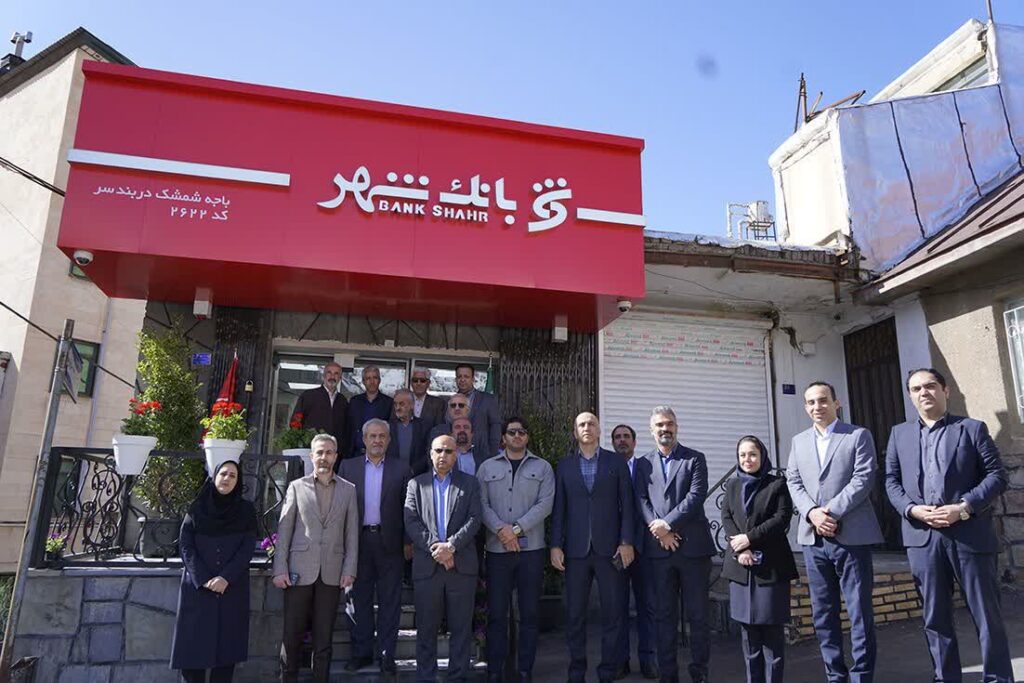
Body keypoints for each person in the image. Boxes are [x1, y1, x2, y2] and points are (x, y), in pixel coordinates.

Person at [885, 368, 1013, 683]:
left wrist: (963, 507)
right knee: (935, 618)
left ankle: (998, 678)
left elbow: (997, 475)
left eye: (930, 386)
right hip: (923, 538)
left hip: (969, 535)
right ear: (910, 395)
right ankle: (946, 678)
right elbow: (891, 481)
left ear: (946, 391)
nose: (924, 393)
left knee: (986, 616)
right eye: (916, 389)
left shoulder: (971, 429)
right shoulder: (899, 434)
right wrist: (912, 510)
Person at [786, 381, 883, 683]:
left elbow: (863, 477)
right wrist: (812, 513)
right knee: (823, 613)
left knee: (859, 611)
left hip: (851, 536)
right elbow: (793, 481)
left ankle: (861, 675)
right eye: (811, 402)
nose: (817, 406)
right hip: (814, 539)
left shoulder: (857, 435)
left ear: (836, 403)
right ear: (806, 407)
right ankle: (835, 675)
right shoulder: (799, 441)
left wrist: (830, 511)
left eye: (823, 400)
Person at [634, 406, 716, 683]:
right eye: (659, 425)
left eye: (669, 423)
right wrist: (660, 532)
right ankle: (668, 674)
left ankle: (699, 672)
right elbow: (641, 500)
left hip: (693, 550)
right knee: (663, 616)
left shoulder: (695, 459)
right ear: (651, 430)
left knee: (698, 615)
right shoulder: (642, 463)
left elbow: (696, 496)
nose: (664, 428)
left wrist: (667, 525)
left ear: (676, 427)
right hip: (658, 552)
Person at [551, 411, 635, 683]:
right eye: (581, 424)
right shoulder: (564, 466)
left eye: (591, 424)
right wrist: (555, 545)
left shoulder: (616, 462)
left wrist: (626, 541)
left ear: (599, 430)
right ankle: (576, 672)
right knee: (574, 615)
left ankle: (607, 672)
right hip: (575, 552)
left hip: (610, 551)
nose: (586, 427)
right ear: (575, 432)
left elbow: (628, 505)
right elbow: (559, 509)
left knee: (613, 614)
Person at [273, 434, 360, 683]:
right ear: (311, 456)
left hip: (331, 572)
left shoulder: (348, 489)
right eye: (319, 452)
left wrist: (349, 569)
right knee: (292, 636)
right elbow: (285, 531)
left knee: (324, 639)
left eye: (329, 452)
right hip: (298, 572)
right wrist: (280, 568)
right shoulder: (296, 487)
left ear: (336, 456)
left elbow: (351, 533)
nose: (324, 457)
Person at [476, 416, 555, 683]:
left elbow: (545, 504)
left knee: (529, 614)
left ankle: (525, 670)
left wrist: (516, 530)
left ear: (527, 437)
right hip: (497, 551)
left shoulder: (543, 467)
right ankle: (495, 670)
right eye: (512, 432)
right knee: (497, 614)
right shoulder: (487, 467)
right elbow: (481, 504)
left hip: (531, 551)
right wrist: (502, 530)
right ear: (503, 437)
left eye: (522, 432)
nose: (517, 436)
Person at [404, 434, 482, 682]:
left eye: (448, 451)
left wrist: (451, 546)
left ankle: (458, 677)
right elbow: (411, 521)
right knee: (426, 630)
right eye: (438, 450)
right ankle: (426, 677)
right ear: (430, 454)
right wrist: (437, 548)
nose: (443, 455)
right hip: (428, 567)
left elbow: (475, 519)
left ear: (455, 456)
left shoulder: (470, 483)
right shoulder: (416, 484)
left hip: (461, 567)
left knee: (461, 629)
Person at [171, 460, 257, 683]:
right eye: (223, 474)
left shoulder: (246, 511)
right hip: (198, 590)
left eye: (233, 476)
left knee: (226, 653)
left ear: (238, 482)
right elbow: (186, 545)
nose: (227, 478)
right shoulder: (196, 508)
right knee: (192, 652)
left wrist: (225, 578)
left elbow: (247, 548)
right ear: (215, 477)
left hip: (231, 589)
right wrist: (203, 578)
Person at [721, 436, 797, 683]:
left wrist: (749, 539)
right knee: (749, 638)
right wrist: (740, 548)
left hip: (771, 568)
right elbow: (727, 517)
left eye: (752, 454)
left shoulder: (777, 484)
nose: (747, 459)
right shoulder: (732, 485)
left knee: (772, 638)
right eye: (742, 455)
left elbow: (781, 518)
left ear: (762, 456)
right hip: (741, 570)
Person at [339, 419, 412, 675]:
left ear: (389, 440)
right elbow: (341, 508)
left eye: (382, 436)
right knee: (357, 600)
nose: (377, 440)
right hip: (357, 542)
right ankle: (361, 653)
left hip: (390, 543)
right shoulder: (348, 467)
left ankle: (386, 655)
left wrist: (408, 541)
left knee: (390, 601)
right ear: (364, 439)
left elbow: (408, 509)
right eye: (372, 436)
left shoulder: (401, 469)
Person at [611, 423, 658, 680]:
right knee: (617, 608)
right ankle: (620, 661)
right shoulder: (607, 467)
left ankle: (649, 659)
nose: (622, 440)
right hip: (615, 548)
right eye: (617, 437)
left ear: (635, 442)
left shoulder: (647, 467)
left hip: (645, 547)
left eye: (626, 436)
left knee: (648, 606)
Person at [291, 361, 348, 457]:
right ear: (323, 376)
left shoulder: (343, 401)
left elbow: (346, 428)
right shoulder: (308, 396)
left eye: (336, 374)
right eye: (329, 373)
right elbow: (295, 422)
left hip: (335, 454)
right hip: (311, 451)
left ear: (340, 378)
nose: (332, 376)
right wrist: (297, 443)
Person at [455, 363, 501, 462]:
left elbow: (495, 425)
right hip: (456, 454)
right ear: (456, 379)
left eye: (466, 376)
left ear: (473, 379)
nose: (462, 380)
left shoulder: (488, 399)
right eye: (459, 376)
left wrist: (493, 452)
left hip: (481, 453)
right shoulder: (451, 402)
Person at [346, 365, 394, 458]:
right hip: (356, 453)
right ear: (363, 381)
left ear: (379, 380)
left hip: (379, 454)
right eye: (368, 378)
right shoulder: (354, 402)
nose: (372, 382)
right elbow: (349, 427)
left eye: (375, 378)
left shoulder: (388, 403)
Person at [388, 388, 431, 475]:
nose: (397, 408)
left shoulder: (424, 426)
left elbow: (428, 452)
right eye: (395, 404)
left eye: (401, 404)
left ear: (412, 405)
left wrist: (413, 470)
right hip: (392, 474)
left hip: (417, 475)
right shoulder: (387, 427)